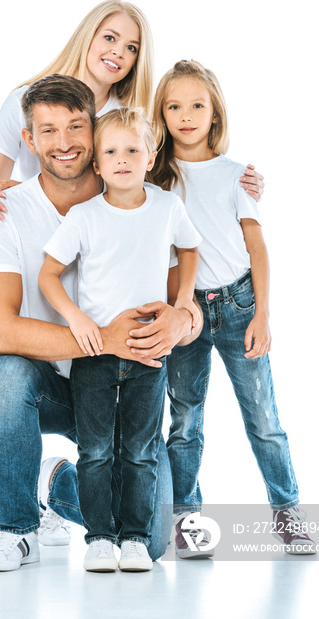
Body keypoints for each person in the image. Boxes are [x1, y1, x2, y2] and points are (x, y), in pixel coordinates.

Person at [0, 0, 264, 551]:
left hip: (107, 321)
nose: (119, 53)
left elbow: (175, 177)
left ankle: (61, 484)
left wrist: (236, 181)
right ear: (87, 36)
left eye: (131, 47)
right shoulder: (24, 101)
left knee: (155, 539)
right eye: (110, 38)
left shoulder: (124, 127)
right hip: (36, 292)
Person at [0, 74, 199, 572]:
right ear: (28, 141)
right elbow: (1, 334)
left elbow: (188, 288)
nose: (64, 143)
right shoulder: (1, 210)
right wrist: (102, 339)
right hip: (53, 383)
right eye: (47, 131)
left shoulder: (140, 198)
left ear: (94, 134)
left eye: (76, 127)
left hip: (132, 380)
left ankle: (56, 485)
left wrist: (183, 316)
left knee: (155, 542)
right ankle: (16, 528)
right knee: (3, 376)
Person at [148, 59, 316, 557]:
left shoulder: (235, 175)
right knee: (184, 421)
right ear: (161, 113)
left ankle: (288, 513)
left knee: (263, 416)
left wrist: (263, 313)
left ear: (214, 114)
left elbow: (257, 248)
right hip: (186, 312)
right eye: (174, 106)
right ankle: (187, 519)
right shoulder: (155, 179)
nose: (185, 115)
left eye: (197, 105)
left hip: (239, 304)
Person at [39, 108, 201, 571]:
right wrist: (76, 320)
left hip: (150, 353)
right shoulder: (84, 215)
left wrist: (183, 302)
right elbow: (50, 275)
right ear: (97, 164)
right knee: (94, 450)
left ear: (150, 157)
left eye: (133, 150)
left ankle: (132, 537)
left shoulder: (167, 207)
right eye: (111, 151)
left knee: (140, 450)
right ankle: (100, 539)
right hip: (95, 354)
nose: (122, 159)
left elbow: (189, 249)